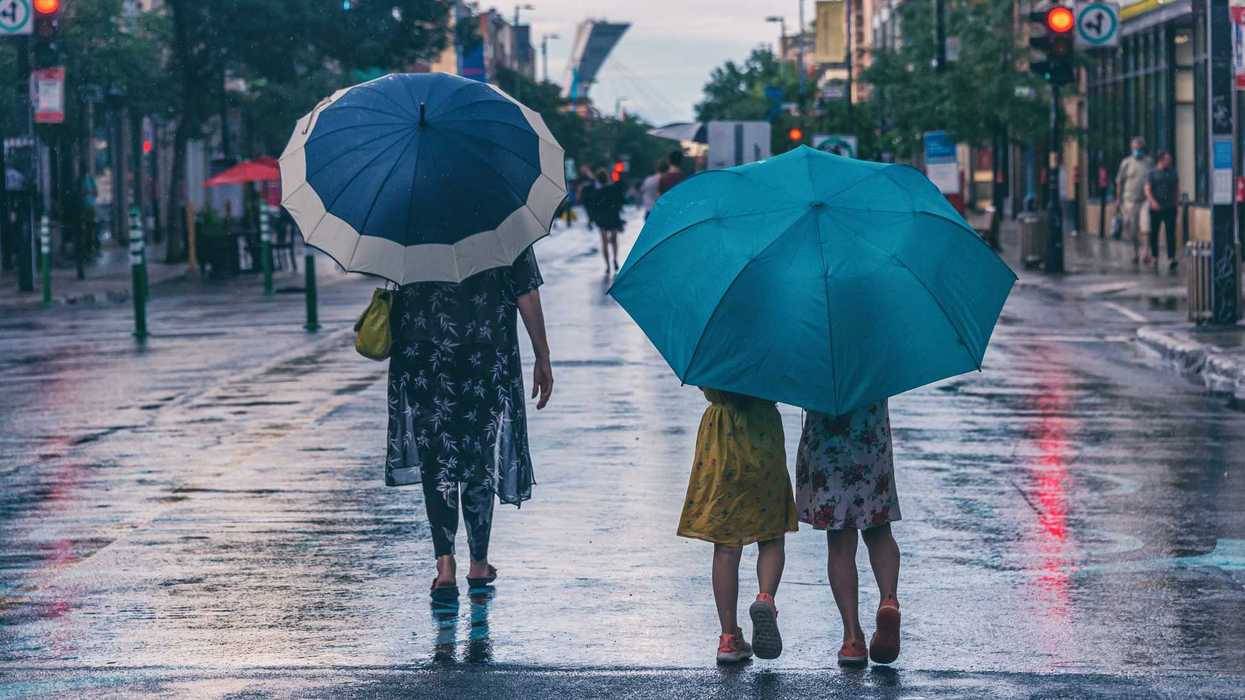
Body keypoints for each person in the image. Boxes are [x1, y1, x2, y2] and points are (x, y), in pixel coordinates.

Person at [386, 246, 554, 602]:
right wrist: (542, 354)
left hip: (423, 352)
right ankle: (478, 563)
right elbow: (525, 289)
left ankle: (444, 566)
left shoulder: (410, 216)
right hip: (485, 348)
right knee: (478, 453)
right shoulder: (504, 221)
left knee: (437, 460)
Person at [678, 389, 798, 664]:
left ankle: (729, 638)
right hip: (763, 430)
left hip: (719, 437)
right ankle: (765, 597)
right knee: (771, 534)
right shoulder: (771, 345)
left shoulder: (713, 348)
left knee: (726, 545)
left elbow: (703, 380)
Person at [796, 401, 902, 667]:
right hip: (869, 431)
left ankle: (852, 638)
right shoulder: (876, 356)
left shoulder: (815, 358)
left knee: (840, 543)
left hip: (826, 439)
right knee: (879, 530)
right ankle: (888, 600)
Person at [1114, 137, 1152, 264]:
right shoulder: (1126, 163)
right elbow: (1119, 181)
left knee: (1145, 226)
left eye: (1140, 148)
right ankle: (1134, 252)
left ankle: (1145, 252)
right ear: (1132, 149)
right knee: (1132, 229)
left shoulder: (1149, 162)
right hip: (1130, 200)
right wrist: (1118, 199)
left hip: (1145, 200)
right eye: (1135, 148)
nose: (1138, 150)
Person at [1145, 150, 1180, 273]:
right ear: (1160, 160)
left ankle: (1171, 257)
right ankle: (1155, 256)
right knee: (1154, 233)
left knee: (1171, 233)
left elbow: (1176, 188)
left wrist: (1177, 203)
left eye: (1169, 160)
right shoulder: (1152, 173)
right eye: (1167, 160)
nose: (1169, 162)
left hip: (1170, 207)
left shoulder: (1173, 172)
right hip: (1156, 207)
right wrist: (1152, 202)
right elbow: (1147, 189)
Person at [591, 169, 626, 274]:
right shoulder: (613, 189)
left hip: (602, 219)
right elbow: (619, 200)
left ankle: (607, 266)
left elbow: (594, 207)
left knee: (604, 242)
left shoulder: (597, 192)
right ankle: (615, 258)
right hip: (613, 216)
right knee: (614, 240)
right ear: (607, 178)